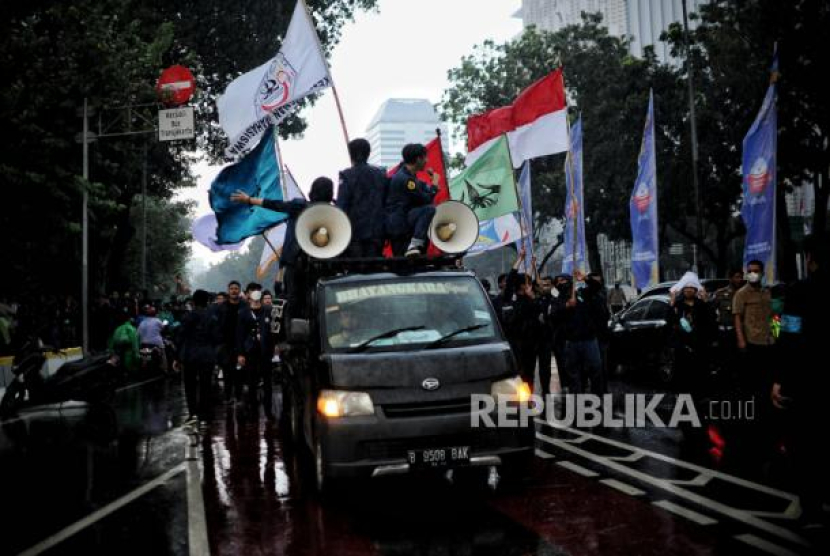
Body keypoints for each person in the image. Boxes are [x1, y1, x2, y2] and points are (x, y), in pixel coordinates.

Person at [770, 234, 829, 527]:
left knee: (804, 446)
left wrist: (780, 379)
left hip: (807, 382)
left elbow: (789, 336)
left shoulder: (799, 293)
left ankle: (812, 509)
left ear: (810, 258)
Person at [231, 177, 335, 318]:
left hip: (296, 265)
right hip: (321, 266)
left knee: (295, 301)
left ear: (312, 191)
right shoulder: (334, 214)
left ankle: (294, 330)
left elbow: (275, 205)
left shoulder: (299, 206)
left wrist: (249, 199)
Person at [669, 273, 717, 448]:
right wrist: (671, 304)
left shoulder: (702, 306)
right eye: (686, 288)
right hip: (683, 356)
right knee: (683, 391)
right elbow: (671, 325)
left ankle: (700, 423)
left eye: (692, 288)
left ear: (696, 290)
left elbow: (712, 325)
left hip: (699, 354)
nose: (689, 290)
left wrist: (707, 302)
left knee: (699, 392)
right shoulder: (678, 306)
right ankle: (685, 424)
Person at [386, 143, 440, 257]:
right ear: (418, 159)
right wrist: (434, 185)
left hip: (401, 226)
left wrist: (430, 186)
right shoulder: (406, 179)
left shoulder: (407, 175)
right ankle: (414, 244)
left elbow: (422, 187)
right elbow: (425, 199)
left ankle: (415, 244)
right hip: (401, 227)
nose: (427, 160)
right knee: (429, 210)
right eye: (425, 157)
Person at [337, 138, 388, 257]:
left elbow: (342, 206)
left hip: (354, 232)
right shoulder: (381, 174)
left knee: (356, 270)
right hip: (378, 231)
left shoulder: (346, 175)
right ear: (368, 153)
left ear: (351, 154)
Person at [176, 290, 221, 425]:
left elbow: (180, 337)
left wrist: (177, 357)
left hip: (190, 355)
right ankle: (204, 414)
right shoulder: (212, 317)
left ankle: (192, 413)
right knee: (205, 385)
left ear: (193, 302)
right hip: (207, 355)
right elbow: (217, 337)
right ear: (207, 301)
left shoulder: (187, 317)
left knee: (190, 385)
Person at [733, 260, 774, 401]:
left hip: (769, 340)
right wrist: (741, 341)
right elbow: (737, 318)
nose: (753, 274)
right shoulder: (741, 293)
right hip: (752, 341)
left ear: (762, 273)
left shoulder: (767, 292)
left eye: (756, 271)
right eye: (750, 271)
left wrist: (776, 333)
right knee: (752, 379)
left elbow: (773, 315)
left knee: (767, 378)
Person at [561, 270, 606, 396]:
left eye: (565, 281)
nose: (564, 284)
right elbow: (554, 312)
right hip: (571, 342)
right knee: (574, 375)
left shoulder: (584, 294)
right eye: (561, 282)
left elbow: (596, 286)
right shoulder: (561, 297)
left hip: (589, 339)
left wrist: (585, 278)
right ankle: (577, 403)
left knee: (596, 370)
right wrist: (566, 305)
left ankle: (597, 399)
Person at [501, 248, 540, 389]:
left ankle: (529, 398)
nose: (529, 285)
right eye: (526, 284)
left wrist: (532, 265)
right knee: (518, 373)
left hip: (530, 342)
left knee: (529, 373)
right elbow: (512, 278)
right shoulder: (509, 298)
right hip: (515, 342)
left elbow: (539, 312)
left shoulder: (531, 299)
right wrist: (520, 258)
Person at [236, 283, 276, 419]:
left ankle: (269, 411)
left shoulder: (269, 310)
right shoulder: (243, 313)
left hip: (266, 351)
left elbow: (274, 330)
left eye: (258, 290)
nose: (256, 293)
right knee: (252, 382)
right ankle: (253, 411)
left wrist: (275, 346)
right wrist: (241, 353)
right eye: (253, 290)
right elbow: (239, 334)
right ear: (248, 294)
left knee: (268, 383)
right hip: (250, 352)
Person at [216, 281, 245, 403]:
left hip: (241, 344)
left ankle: (239, 397)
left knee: (240, 372)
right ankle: (227, 397)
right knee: (227, 372)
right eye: (231, 288)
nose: (234, 291)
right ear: (228, 290)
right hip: (226, 345)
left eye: (236, 288)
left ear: (239, 290)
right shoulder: (222, 307)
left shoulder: (244, 306)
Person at [108, 310, 140, 375]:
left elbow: (111, 343)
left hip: (117, 354)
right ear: (129, 319)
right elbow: (135, 345)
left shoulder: (117, 329)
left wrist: (112, 353)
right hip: (127, 355)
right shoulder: (131, 328)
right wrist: (137, 357)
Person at [137, 306, 167, 372]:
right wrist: (165, 324)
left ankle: (143, 367)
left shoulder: (142, 322)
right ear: (155, 314)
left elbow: (138, 333)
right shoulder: (157, 320)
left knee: (144, 357)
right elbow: (163, 328)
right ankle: (165, 369)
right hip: (157, 343)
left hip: (144, 344)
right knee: (163, 355)